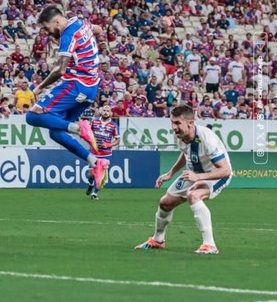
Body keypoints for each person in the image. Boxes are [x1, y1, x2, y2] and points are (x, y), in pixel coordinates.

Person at [25, 5, 108, 189]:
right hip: (91, 88)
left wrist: (39, 87)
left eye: (47, 28)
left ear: (56, 21)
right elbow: (99, 29)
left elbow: (60, 70)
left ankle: (80, 129)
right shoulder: (81, 23)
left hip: (76, 84)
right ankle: (96, 162)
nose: (47, 33)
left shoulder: (68, 34)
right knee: (56, 131)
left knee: (32, 116)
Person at [136, 104, 232, 254]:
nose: (174, 127)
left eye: (177, 123)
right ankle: (158, 240)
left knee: (193, 195)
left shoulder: (207, 140)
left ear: (190, 123)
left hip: (215, 175)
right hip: (195, 172)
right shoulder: (181, 135)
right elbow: (185, 152)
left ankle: (210, 245)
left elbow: (226, 170)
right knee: (165, 203)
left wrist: (198, 177)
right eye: (172, 122)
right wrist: (170, 173)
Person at [86, 105, 120, 200]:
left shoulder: (114, 125)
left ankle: (95, 194)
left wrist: (109, 145)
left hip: (106, 154)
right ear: (101, 112)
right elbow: (87, 132)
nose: (105, 112)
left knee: (100, 175)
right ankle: (90, 184)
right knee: (91, 174)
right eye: (104, 110)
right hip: (94, 152)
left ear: (110, 113)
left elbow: (117, 140)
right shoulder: (94, 122)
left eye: (107, 111)